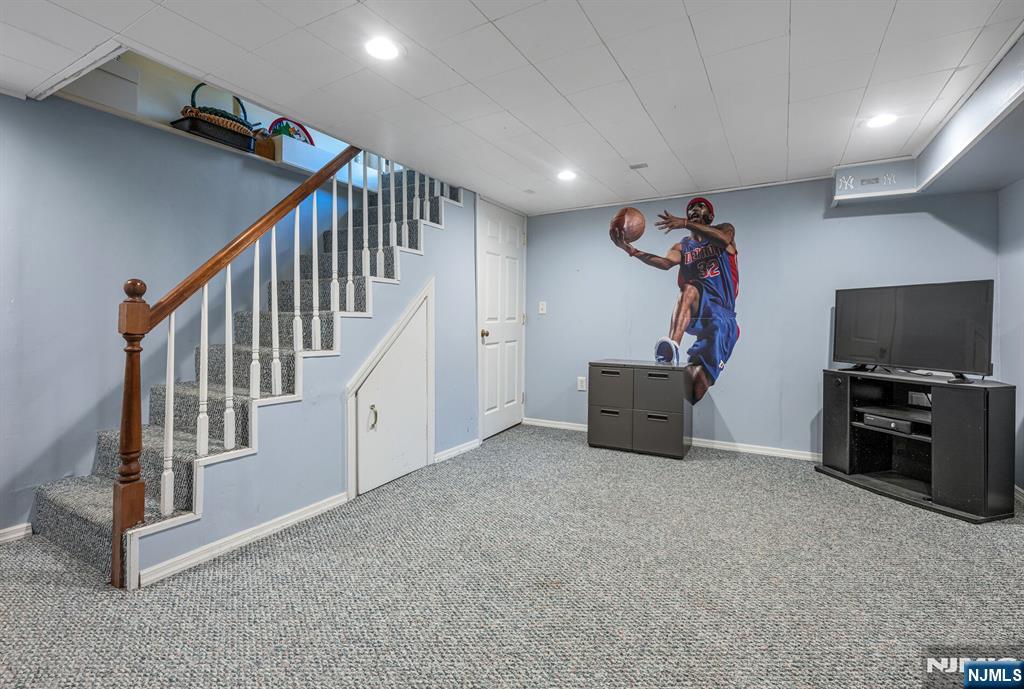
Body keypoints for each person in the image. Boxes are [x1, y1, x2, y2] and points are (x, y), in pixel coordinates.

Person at [611, 197, 739, 403]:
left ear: (710, 217)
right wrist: (631, 250)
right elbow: (665, 263)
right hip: (698, 311)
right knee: (689, 289)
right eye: (691, 208)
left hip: (722, 317)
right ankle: (673, 347)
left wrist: (685, 223)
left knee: (693, 391)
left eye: (701, 206)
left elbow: (724, 240)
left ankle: (696, 374)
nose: (695, 209)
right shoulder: (683, 246)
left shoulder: (724, 230)